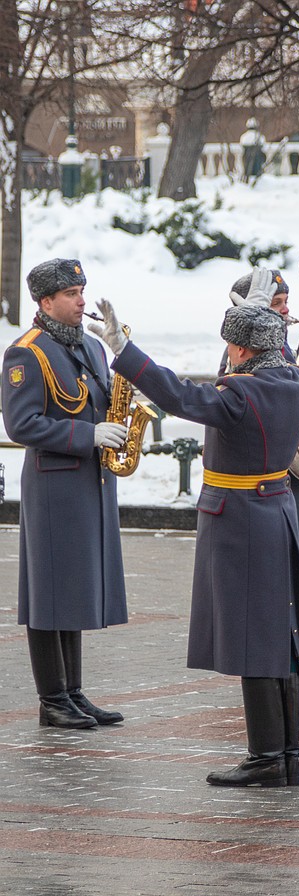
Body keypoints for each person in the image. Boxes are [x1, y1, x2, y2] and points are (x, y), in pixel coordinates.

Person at [95, 293, 299, 787]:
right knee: (279, 636)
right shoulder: (291, 379)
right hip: (276, 510)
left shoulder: (244, 391)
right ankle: (286, 755)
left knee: (254, 639)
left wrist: (124, 349)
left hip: (240, 520)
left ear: (240, 350)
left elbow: (181, 397)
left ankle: (266, 757)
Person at [2, 259, 128, 729]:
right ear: (45, 301)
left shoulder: (93, 348)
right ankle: (51, 698)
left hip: (90, 483)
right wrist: (87, 435)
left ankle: (73, 691)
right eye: (72, 293)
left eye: (82, 290)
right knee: (48, 593)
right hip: (54, 484)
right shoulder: (26, 353)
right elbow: (22, 424)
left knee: (72, 589)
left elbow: (107, 397)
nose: (82, 301)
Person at [228, 269, 299, 694]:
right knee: (275, 580)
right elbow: (260, 396)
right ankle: (280, 662)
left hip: (293, 473)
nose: (286, 311)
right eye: (276, 304)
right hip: (270, 478)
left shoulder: (285, 347)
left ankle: (293, 662)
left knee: (294, 575)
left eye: (287, 302)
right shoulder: (240, 351)